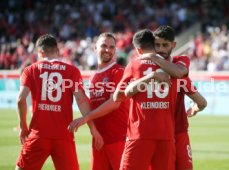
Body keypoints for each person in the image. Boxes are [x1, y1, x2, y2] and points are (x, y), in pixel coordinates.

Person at [15, 34, 101, 170]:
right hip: (64, 135)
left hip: (38, 134)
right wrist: (93, 128)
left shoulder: (30, 70)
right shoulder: (72, 71)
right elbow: (81, 99)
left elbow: (20, 100)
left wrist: (23, 126)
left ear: (40, 52)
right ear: (57, 50)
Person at [132, 25, 207, 170]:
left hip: (173, 132)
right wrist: (196, 107)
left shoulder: (176, 65)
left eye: (165, 45)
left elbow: (200, 100)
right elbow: (201, 102)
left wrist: (195, 108)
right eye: (157, 45)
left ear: (173, 45)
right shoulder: (172, 68)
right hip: (160, 134)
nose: (160, 49)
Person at [113, 29, 178, 170]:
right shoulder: (173, 66)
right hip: (166, 134)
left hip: (139, 133)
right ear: (154, 45)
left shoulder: (135, 64)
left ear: (138, 50)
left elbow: (117, 96)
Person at [68, 32, 129, 170]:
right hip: (99, 140)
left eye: (112, 47)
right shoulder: (93, 77)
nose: (108, 50)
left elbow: (114, 103)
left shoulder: (119, 72)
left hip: (119, 139)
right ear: (95, 48)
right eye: (104, 46)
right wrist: (93, 130)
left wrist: (85, 118)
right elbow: (90, 105)